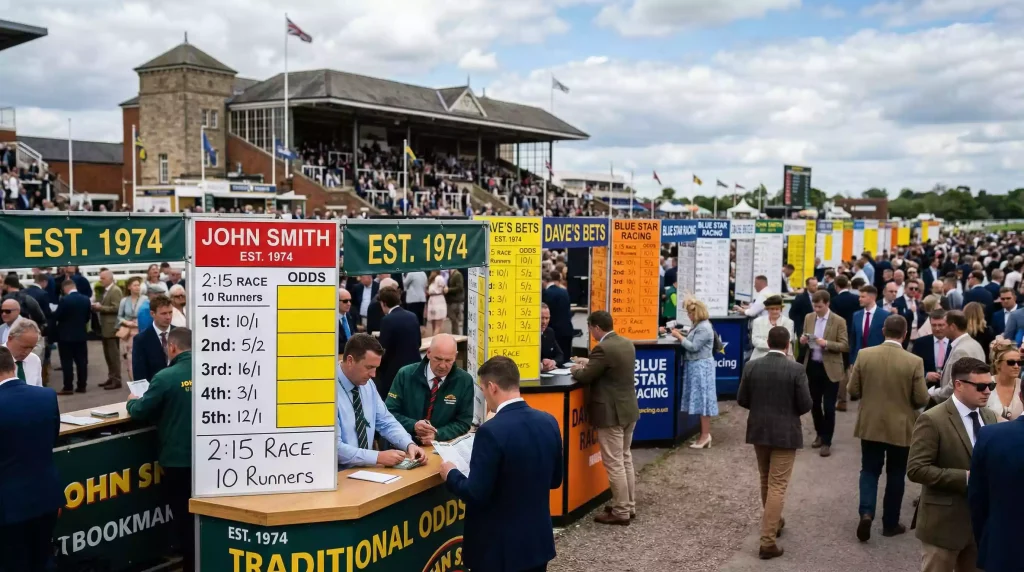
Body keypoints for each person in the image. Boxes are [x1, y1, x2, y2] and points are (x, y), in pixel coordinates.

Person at [440, 356, 562, 572]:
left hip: (498, 550)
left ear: (492, 387)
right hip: (536, 543)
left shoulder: (491, 431)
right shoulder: (549, 421)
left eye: (483, 391)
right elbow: (554, 480)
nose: (485, 398)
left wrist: (451, 473)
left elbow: (476, 493)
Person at [907, 357, 997, 572]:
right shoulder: (932, 419)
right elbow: (916, 469)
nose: (987, 391)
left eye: (990, 386)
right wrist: (966, 478)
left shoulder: (990, 417)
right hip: (943, 526)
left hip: (980, 526)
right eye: (981, 386)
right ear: (958, 385)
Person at [848, 315, 928, 542]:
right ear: (905, 334)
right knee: (896, 474)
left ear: (883, 330)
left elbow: (852, 389)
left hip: (871, 423)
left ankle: (866, 512)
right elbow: (921, 398)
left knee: (869, 470)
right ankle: (890, 523)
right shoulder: (914, 361)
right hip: (901, 426)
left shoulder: (865, 355)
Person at [737, 326, 812, 560]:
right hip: (785, 433)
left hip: (759, 429)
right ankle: (767, 541)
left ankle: (775, 522)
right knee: (778, 484)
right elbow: (806, 404)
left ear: (768, 343)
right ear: (788, 345)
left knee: (765, 479)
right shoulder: (796, 369)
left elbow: (742, 399)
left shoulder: (752, 366)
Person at [125, 328, 194, 571]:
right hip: (209, 459)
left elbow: (141, 411)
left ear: (172, 347)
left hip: (177, 459)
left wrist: (133, 400)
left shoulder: (165, 377)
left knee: (184, 518)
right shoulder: (213, 371)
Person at [571, 310, 639, 525]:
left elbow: (586, 375)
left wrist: (575, 368)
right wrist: (588, 360)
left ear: (597, 328)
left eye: (591, 328)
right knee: (625, 458)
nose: (590, 332)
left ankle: (620, 511)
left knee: (614, 463)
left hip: (611, 413)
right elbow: (609, 368)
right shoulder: (626, 343)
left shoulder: (603, 348)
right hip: (629, 409)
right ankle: (629, 505)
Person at [0, 345, 63, 572]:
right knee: (43, 559)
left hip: (8, 507)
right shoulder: (46, 396)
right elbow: (51, 439)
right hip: (46, 496)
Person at [334, 334, 426, 467]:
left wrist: (408, 444)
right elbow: (334, 448)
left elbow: (385, 421)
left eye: (375, 368)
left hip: (365, 472)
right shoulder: (327, 391)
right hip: (337, 476)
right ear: (350, 360)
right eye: (369, 367)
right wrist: (377, 457)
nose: (373, 374)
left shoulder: (368, 384)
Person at [967, 371, 1024, 572]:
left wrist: (987, 541)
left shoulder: (991, 436)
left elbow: (977, 498)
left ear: (1021, 395)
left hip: (1003, 548)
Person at [385, 334, 474, 445]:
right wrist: (413, 425)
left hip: (439, 447)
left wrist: (438, 434)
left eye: (448, 360)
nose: (442, 365)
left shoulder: (464, 381)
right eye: (438, 359)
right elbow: (388, 413)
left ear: (455, 357)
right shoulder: (405, 374)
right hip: (402, 444)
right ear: (428, 353)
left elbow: (463, 422)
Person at [799, 290, 849, 458]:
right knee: (814, 404)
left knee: (829, 407)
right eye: (815, 306)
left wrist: (826, 343)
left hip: (831, 368)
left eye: (820, 306)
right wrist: (803, 340)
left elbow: (844, 345)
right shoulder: (809, 317)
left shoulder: (839, 321)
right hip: (813, 366)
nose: (817, 309)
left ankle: (827, 442)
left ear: (827, 304)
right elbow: (805, 337)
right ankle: (820, 434)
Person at [669, 299, 718, 449]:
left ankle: (705, 436)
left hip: (701, 367)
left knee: (703, 402)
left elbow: (694, 347)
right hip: (697, 366)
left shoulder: (704, 328)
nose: (689, 316)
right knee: (700, 401)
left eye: (691, 313)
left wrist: (679, 337)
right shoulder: (699, 325)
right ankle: (703, 435)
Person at [376, 286, 422, 397]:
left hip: (393, 371)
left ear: (384, 303)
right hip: (414, 366)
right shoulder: (412, 316)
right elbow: (419, 342)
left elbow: (383, 348)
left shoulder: (387, 320)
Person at [933, 311, 986, 403]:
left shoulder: (961, 350)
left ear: (952, 327)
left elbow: (955, 383)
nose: (942, 328)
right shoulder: (975, 344)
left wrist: (937, 394)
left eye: (944, 325)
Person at [53, 279, 92, 395]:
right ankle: (82, 385)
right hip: (81, 335)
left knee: (67, 362)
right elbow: (87, 317)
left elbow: (57, 316)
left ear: (65, 288)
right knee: (82, 361)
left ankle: (68, 387)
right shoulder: (86, 299)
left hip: (65, 336)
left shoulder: (64, 300)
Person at [830, 275, 861, 411]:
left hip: (841, 336)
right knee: (853, 365)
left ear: (836, 286)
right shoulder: (856, 299)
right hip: (854, 334)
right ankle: (855, 392)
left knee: (842, 369)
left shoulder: (835, 301)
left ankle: (842, 400)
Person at [132, 294, 176, 383]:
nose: (168, 317)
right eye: (163, 313)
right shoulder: (141, 340)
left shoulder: (180, 334)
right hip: (155, 390)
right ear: (152, 313)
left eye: (170, 312)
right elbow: (139, 374)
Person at [93, 269, 124, 390]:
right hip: (105, 327)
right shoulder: (106, 291)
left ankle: (117, 379)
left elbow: (117, 308)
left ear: (110, 278)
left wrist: (101, 308)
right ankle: (111, 377)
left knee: (113, 355)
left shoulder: (115, 291)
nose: (100, 280)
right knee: (108, 355)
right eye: (100, 278)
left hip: (112, 328)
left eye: (103, 278)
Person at [851, 285, 890, 366]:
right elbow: (853, 340)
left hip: (878, 361)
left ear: (872, 298)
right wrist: (852, 361)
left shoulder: (885, 316)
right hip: (858, 360)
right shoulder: (856, 315)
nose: (859, 299)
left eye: (863, 297)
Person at [986, 340, 1022, 422]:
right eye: (1011, 362)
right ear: (998, 364)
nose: (1017, 366)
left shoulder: (1022, 386)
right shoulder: (986, 384)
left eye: (1020, 362)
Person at [913, 310, 949, 390]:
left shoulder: (954, 343)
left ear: (947, 324)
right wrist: (926, 375)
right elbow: (913, 367)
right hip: (927, 389)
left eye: (941, 325)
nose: (937, 328)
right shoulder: (920, 343)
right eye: (933, 325)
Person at [542, 271, 574, 362]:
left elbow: (546, 313)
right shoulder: (564, 291)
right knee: (566, 359)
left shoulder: (547, 293)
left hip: (555, 331)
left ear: (545, 281)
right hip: (567, 329)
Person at [750, 295, 794, 361]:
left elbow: (788, 339)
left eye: (777, 309)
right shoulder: (757, 321)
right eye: (772, 309)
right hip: (760, 356)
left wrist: (770, 345)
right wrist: (775, 347)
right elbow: (755, 341)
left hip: (782, 356)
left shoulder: (788, 322)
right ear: (767, 309)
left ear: (781, 309)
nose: (775, 311)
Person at [117, 277, 144, 381]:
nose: (137, 287)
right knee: (129, 358)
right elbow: (119, 317)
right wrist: (127, 322)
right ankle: (133, 381)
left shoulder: (145, 299)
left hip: (140, 331)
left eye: (138, 285)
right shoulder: (124, 301)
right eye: (135, 285)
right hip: (128, 333)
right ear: (129, 287)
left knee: (141, 356)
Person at [788, 277, 817, 352]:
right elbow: (792, 313)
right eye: (813, 285)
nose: (815, 287)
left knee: (815, 350)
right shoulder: (800, 298)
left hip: (817, 328)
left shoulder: (819, 296)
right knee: (805, 350)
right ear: (807, 286)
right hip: (804, 329)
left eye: (816, 285)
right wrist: (799, 327)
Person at [540, 303, 564, 372]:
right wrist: (541, 365)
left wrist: (553, 362)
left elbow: (560, 355)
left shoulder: (549, 332)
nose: (544, 322)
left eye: (547, 318)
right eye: (541, 318)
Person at [426, 272, 448, 336]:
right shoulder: (439, 278)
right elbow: (445, 289)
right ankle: (435, 342)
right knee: (438, 326)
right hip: (439, 300)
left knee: (433, 326)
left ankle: (432, 341)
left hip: (431, 301)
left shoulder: (431, 279)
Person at [445, 268, 465, 335]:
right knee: (453, 319)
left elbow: (459, 287)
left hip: (455, 300)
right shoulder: (451, 274)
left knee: (454, 319)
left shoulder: (457, 275)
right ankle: (455, 334)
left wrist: (449, 290)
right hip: (451, 300)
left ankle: (456, 335)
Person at [337, 287, 353, 353]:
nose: (349, 304)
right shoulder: (330, 320)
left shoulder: (350, 315)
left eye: (350, 301)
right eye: (345, 301)